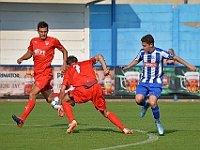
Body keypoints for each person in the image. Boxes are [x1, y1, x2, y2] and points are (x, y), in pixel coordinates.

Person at [120, 34, 196, 135]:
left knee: (153, 102)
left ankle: (157, 122)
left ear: (151, 45)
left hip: (156, 83)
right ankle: (145, 105)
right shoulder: (142, 52)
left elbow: (175, 58)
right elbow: (136, 60)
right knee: (138, 100)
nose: (143, 47)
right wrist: (127, 67)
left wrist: (189, 65)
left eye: (144, 45)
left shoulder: (160, 53)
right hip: (144, 82)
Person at [58, 54, 133, 134]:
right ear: (77, 61)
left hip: (83, 90)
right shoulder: (86, 62)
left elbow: (62, 90)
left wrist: (60, 105)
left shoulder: (68, 71)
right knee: (105, 112)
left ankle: (72, 121)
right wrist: (105, 69)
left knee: (65, 100)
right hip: (96, 87)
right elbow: (100, 56)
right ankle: (124, 129)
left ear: (68, 65)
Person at [12, 21, 68, 127]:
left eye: (45, 32)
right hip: (37, 75)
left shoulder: (53, 41)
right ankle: (69, 99)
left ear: (47, 31)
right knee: (50, 99)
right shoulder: (34, 41)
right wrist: (22, 58)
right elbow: (30, 53)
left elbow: (65, 51)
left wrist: (64, 64)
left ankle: (22, 119)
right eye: (41, 32)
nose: (43, 34)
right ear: (38, 31)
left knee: (32, 94)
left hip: (45, 74)